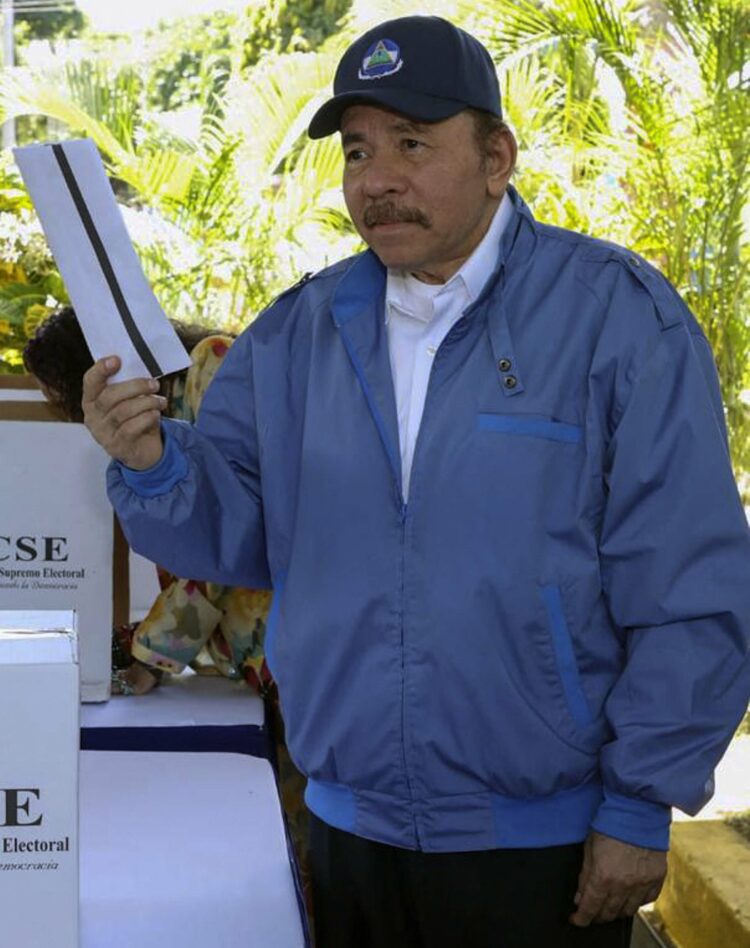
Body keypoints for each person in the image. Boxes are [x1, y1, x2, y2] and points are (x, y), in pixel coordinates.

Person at [80, 16, 750, 948]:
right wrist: (152, 466)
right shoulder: (299, 334)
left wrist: (640, 802)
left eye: (412, 143)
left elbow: (689, 585)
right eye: (358, 150)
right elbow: (235, 533)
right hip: (351, 827)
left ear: (496, 157)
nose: (377, 178)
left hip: (542, 842)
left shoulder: (617, 320)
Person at [23, 307, 273, 697]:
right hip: (256, 648)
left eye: (57, 392)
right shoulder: (162, 407)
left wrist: (152, 657)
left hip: (284, 640)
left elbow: (225, 532)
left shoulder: (211, 366)